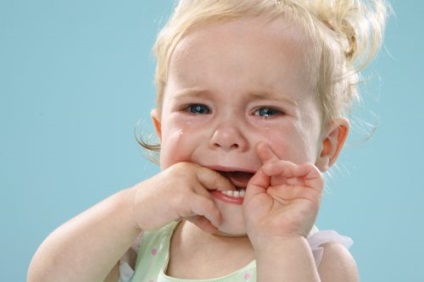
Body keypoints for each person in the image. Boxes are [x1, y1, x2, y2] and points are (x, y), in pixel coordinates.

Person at [28, 0, 389, 281]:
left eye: (265, 111)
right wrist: (132, 208)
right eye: (197, 108)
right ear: (162, 129)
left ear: (326, 145)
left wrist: (280, 244)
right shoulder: (142, 240)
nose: (226, 137)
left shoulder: (319, 260)